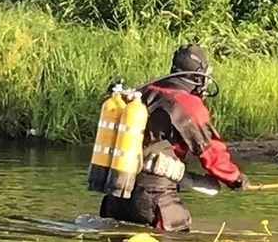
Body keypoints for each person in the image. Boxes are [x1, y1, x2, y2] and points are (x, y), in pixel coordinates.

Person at [100, 44, 250, 231]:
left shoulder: (144, 91)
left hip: (116, 193)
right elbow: (210, 151)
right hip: (153, 199)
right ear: (199, 75)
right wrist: (236, 178)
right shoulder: (187, 104)